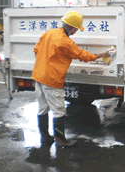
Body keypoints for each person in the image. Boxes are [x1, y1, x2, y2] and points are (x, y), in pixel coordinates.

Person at [32, 10, 110, 148]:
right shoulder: (65, 42)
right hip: (52, 79)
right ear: (69, 27)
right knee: (59, 111)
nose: (75, 32)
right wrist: (101, 55)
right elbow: (83, 55)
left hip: (38, 76)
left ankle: (45, 137)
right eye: (75, 29)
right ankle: (61, 140)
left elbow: (36, 49)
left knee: (43, 108)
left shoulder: (49, 33)